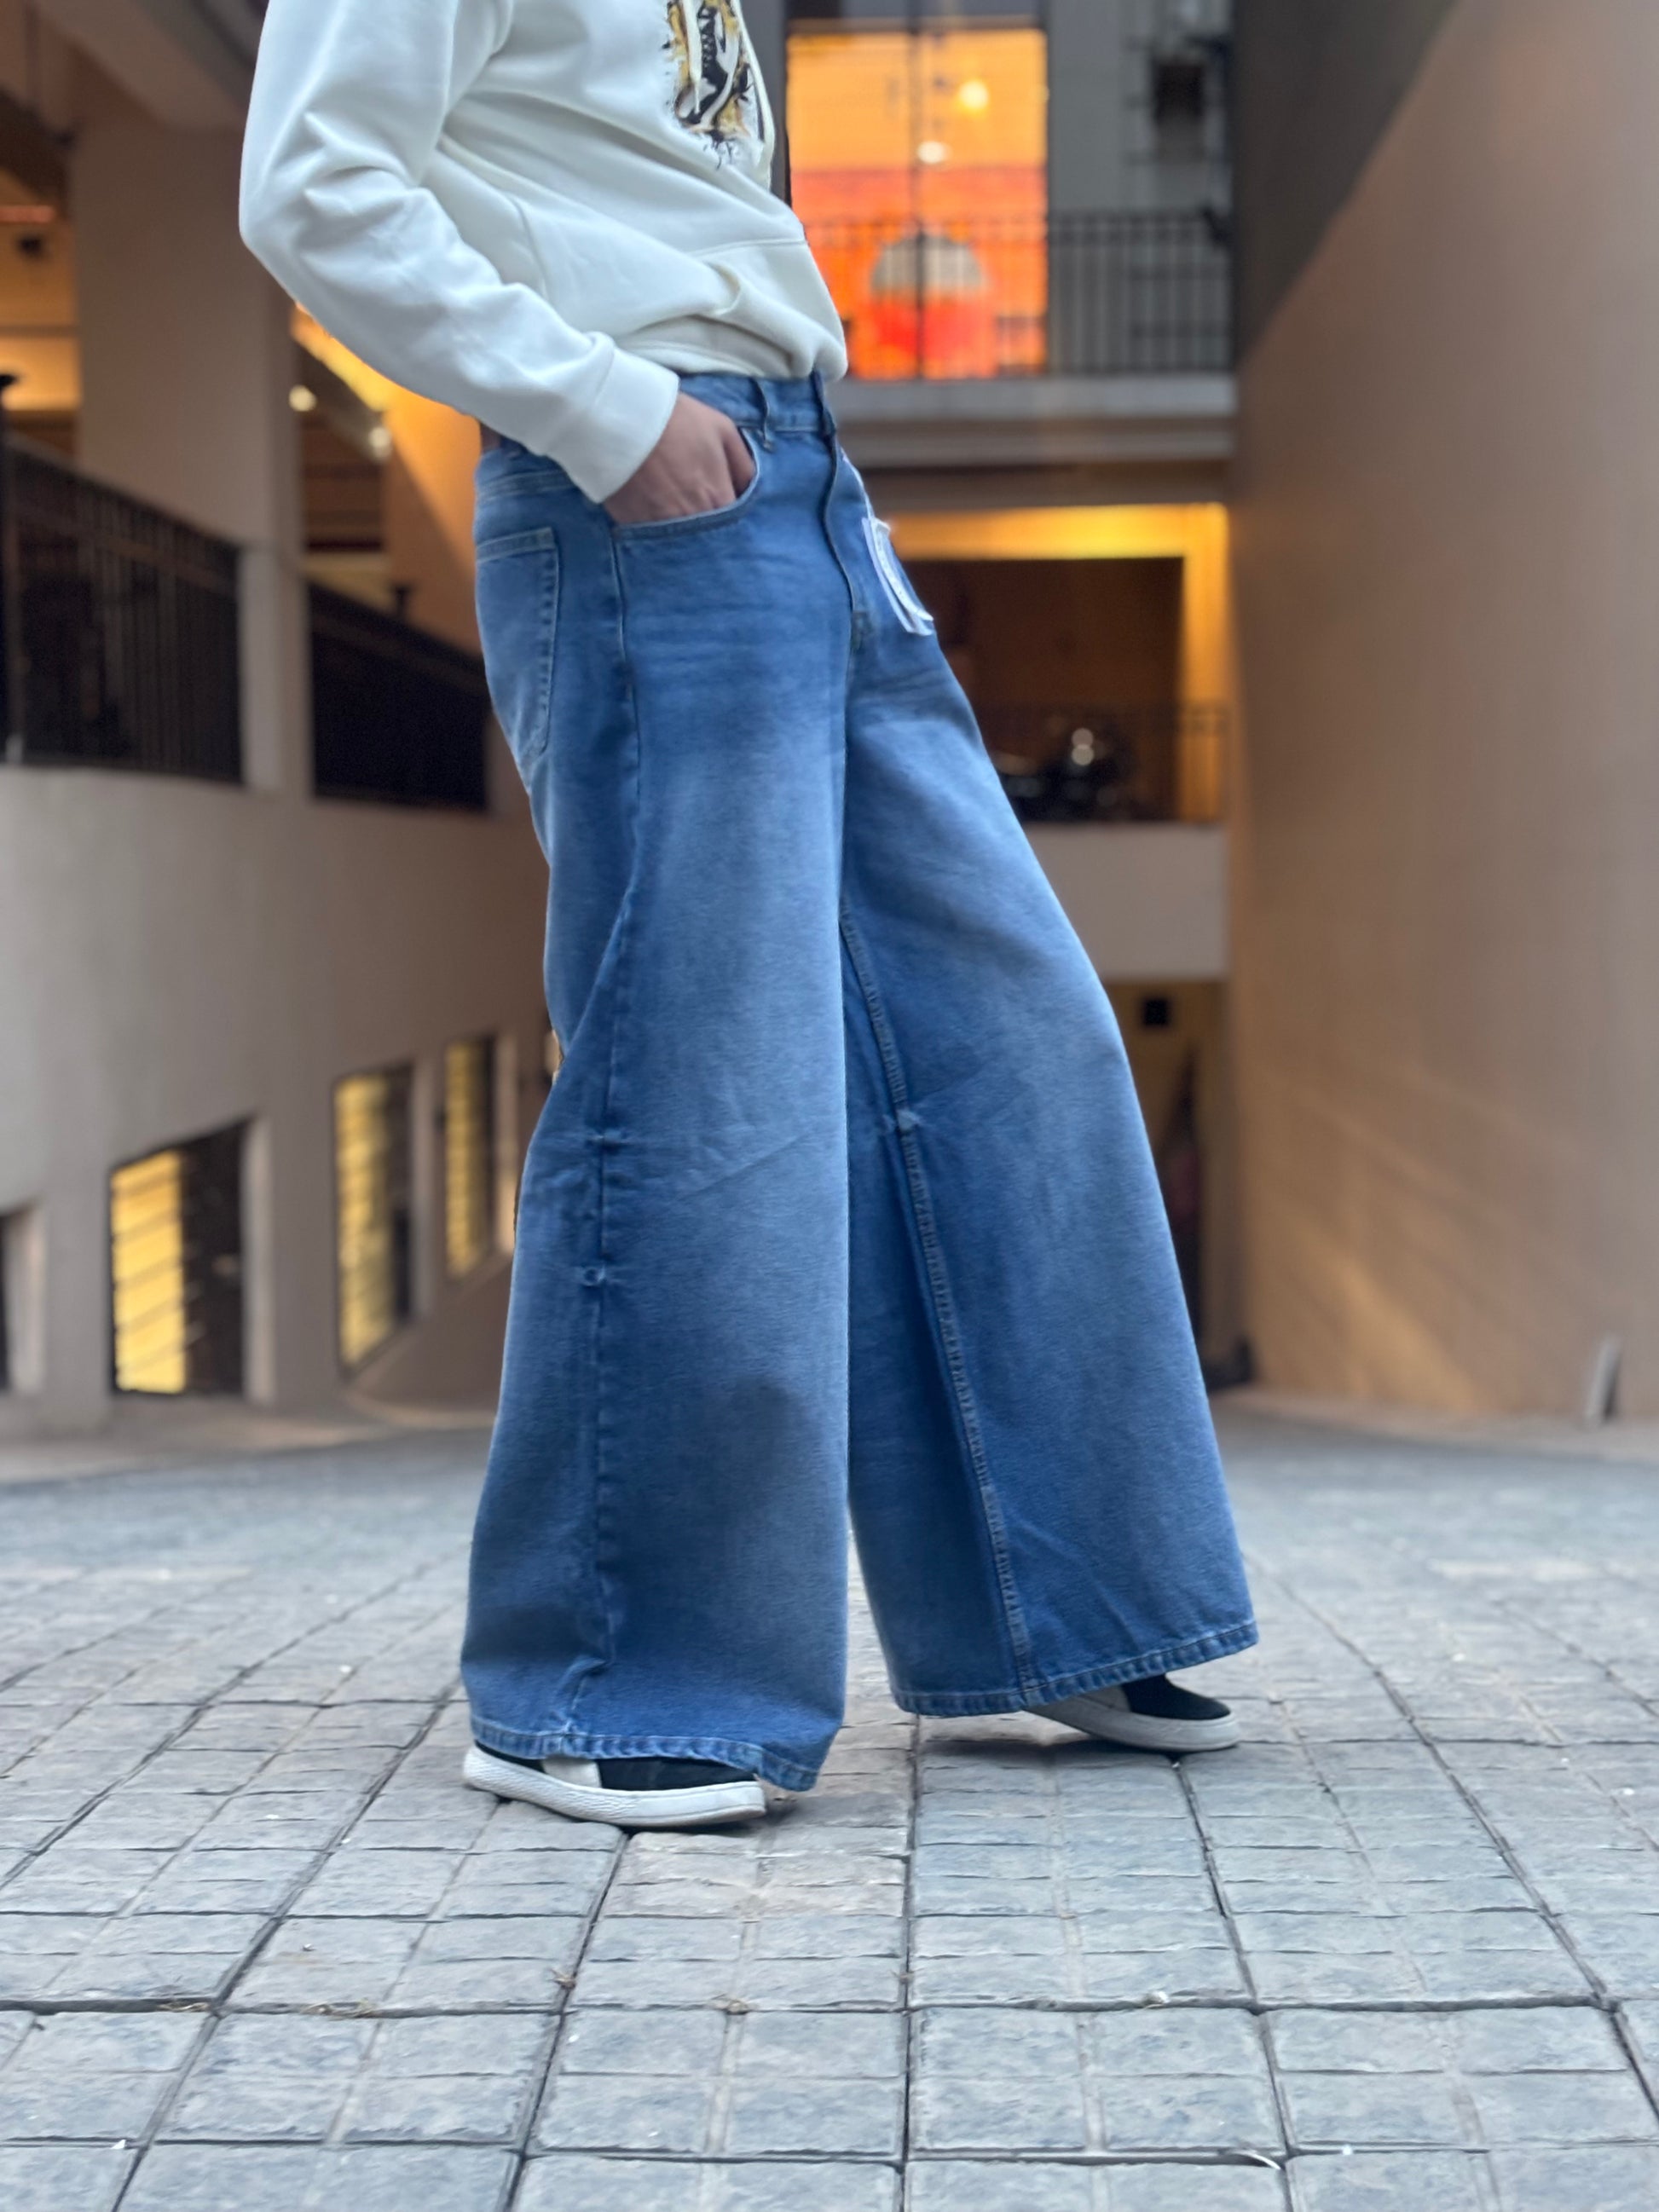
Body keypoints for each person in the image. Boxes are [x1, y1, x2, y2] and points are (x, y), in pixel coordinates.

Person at [240, 0, 1257, 1833]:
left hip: (799, 476)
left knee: (1004, 1027)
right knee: (698, 1075)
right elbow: (308, 179)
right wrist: (596, 407)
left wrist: (803, 480)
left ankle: (1060, 1599)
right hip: (634, 472)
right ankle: (601, 1667)